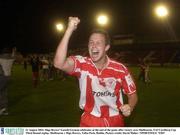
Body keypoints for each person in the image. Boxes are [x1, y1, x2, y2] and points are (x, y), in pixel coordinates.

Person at [54, 17, 138, 127]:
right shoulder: (82, 64)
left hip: (115, 121)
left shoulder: (120, 69)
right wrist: (69, 30)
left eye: (98, 43)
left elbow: (133, 95)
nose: (94, 46)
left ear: (106, 47)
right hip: (90, 122)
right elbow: (58, 63)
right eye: (91, 42)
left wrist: (130, 107)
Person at [0, 47, 16, 115]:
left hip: (2, 77)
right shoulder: (11, 59)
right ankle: (4, 109)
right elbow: (13, 55)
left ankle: (2, 108)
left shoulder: (0, 58)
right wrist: (14, 51)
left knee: (2, 92)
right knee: (4, 92)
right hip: (8, 77)